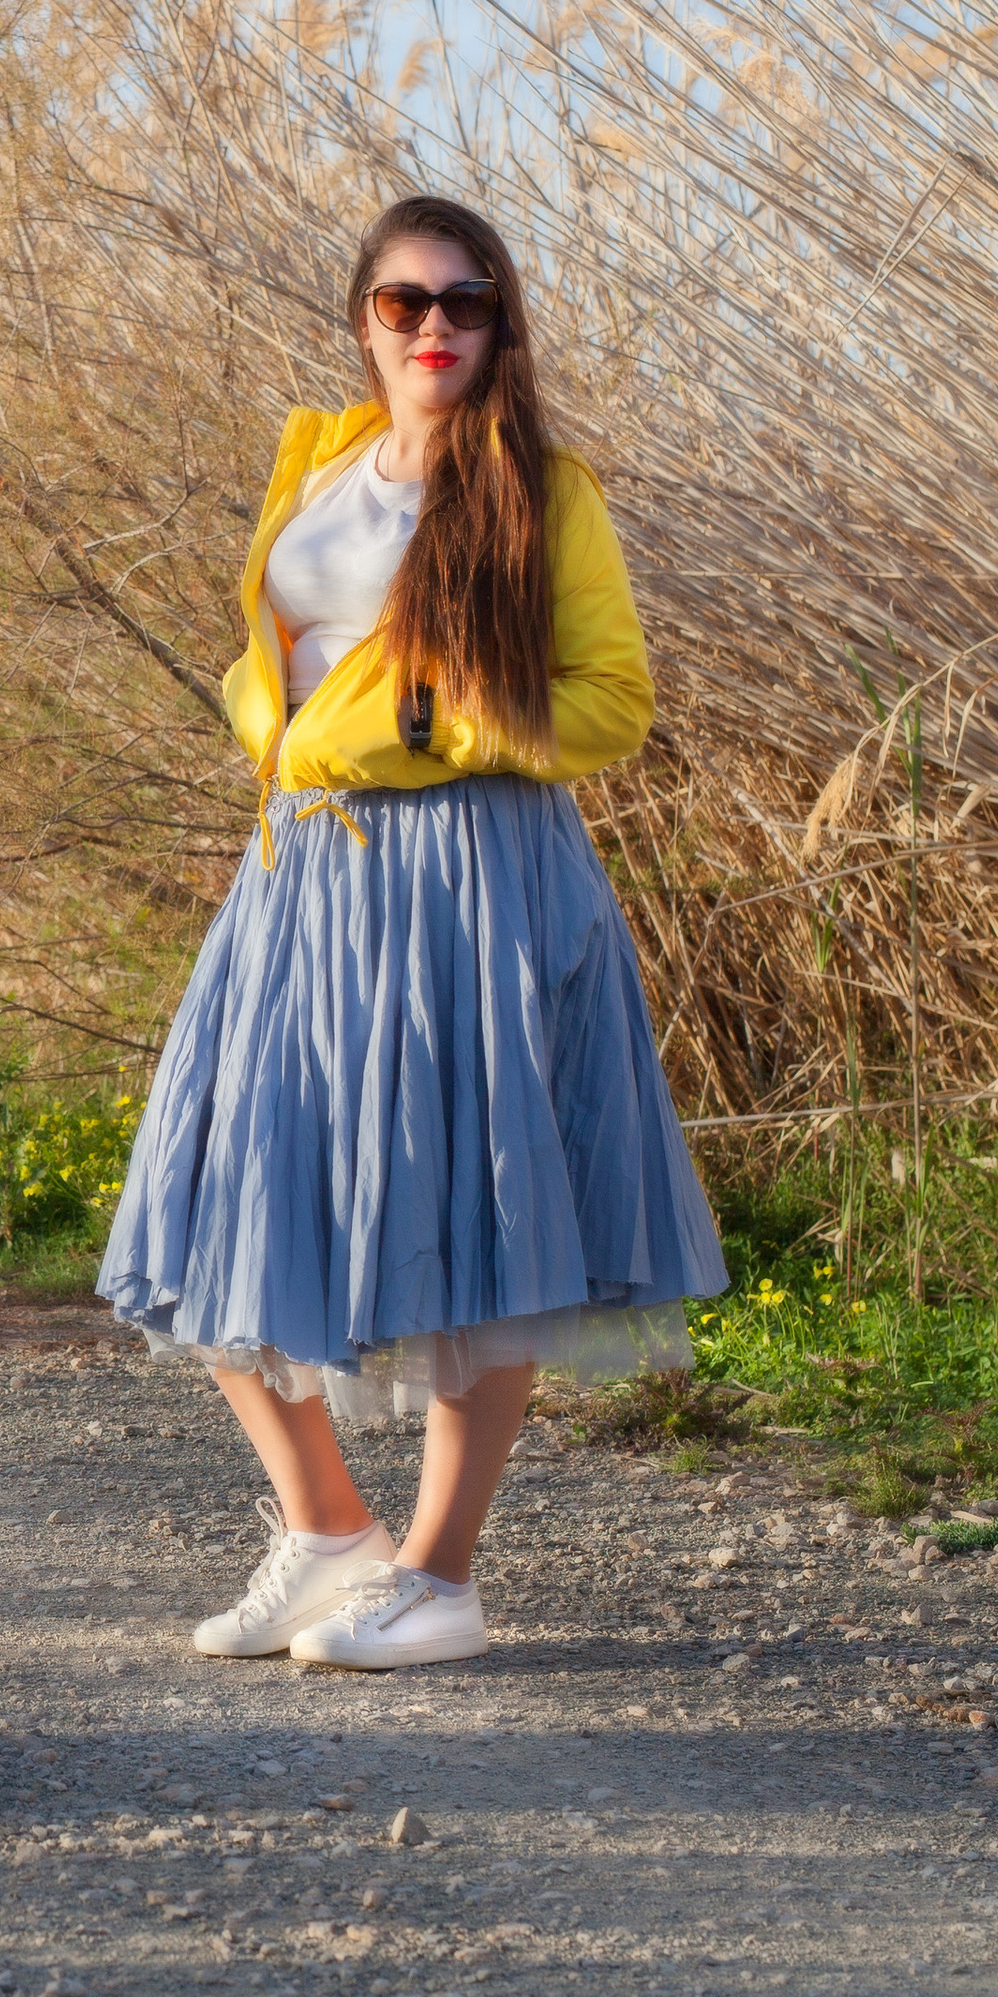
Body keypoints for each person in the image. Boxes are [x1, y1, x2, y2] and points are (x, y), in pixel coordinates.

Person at [98, 194, 724, 1672]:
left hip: (473, 878)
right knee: (214, 1184)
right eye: (404, 303)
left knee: (473, 1206)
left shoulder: (540, 492)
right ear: (364, 321)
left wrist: (431, 722)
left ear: (502, 326)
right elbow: (272, 663)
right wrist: (279, 730)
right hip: (302, 873)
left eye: (466, 302)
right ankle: (326, 1535)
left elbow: (611, 706)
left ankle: (438, 1574)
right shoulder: (314, 466)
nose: (434, 326)